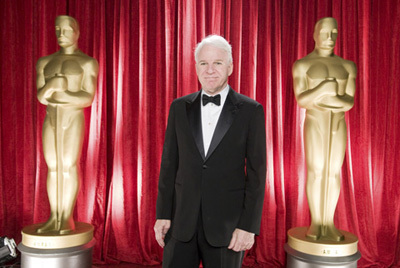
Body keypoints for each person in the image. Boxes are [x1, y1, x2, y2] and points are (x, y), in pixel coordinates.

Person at [154, 35, 266, 267]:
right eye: (204, 63)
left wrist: (248, 227)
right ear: (196, 68)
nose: (210, 70)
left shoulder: (250, 110)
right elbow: (169, 165)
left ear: (230, 67)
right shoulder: (179, 107)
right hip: (181, 224)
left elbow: (257, 174)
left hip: (227, 229)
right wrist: (163, 214)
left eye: (218, 63)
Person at [292, 17, 356, 241]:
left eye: (334, 33)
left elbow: (348, 102)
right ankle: (316, 222)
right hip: (315, 123)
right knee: (317, 170)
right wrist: (324, 89)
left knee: (333, 172)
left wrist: (325, 98)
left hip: (338, 124)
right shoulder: (303, 64)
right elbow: (302, 99)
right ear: (315, 34)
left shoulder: (347, 66)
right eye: (325, 33)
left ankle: (328, 222)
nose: (330, 38)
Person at [36, 15, 99, 234]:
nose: (61, 35)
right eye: (57, 30)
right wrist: (53, 86)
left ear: (77, 32)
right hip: (51, 117)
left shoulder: (87, 62)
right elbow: (41, 97)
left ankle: (67, 218)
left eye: (66, 30)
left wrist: (58, 93)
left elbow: (87, 98)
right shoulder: (45, 62)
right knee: (53, 167)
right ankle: (54, 217)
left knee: (68, 165)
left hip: (72, 118)